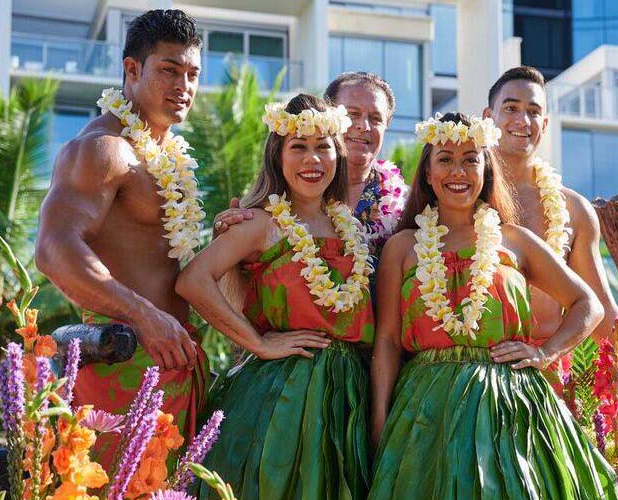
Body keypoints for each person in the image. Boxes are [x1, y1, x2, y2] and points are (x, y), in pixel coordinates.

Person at [368, 112, 618, 499]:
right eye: (446, 159)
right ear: (428, 174)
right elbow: (386, 341)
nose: (459, 171)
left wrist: (545, 352)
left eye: (471, 159)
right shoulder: (402, 248)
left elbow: (589, 304)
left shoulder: (515, 241)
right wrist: (381, 419)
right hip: (425, 413)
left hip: (508, 409)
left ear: (486, 170)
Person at [177, 93, 374, 500]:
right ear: (277, 157)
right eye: (298, 147)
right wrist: (259, 343)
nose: (312, 159)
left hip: (349, 395)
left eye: (323, 147)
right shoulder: (259, 223)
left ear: (338, 154)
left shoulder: (350, 229)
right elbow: (193, 280)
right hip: (281, 394)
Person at [33, 9, 207, 469]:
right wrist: (143, 316)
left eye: (192, 74)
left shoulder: (168, 159)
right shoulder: (103, 148)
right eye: (169, 70)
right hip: (121, 365)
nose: (183, 86)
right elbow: (54, 249)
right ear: (132, 69)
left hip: (176, 368)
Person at [484, 66, 618, 404]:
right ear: (488, 117)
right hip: (478, 371)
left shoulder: (573, 210)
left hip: (546, 380)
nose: (522, 120)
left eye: (533, 111)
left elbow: (600, 308)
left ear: (546, 124)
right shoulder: (461, 197)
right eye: (510, 108)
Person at [212, 72, 408, 252]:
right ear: (326, 118)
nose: (363, 126)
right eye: (352, 114)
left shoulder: (405, 204)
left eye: (375, 118)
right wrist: (225, 239)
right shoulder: (284, 194)